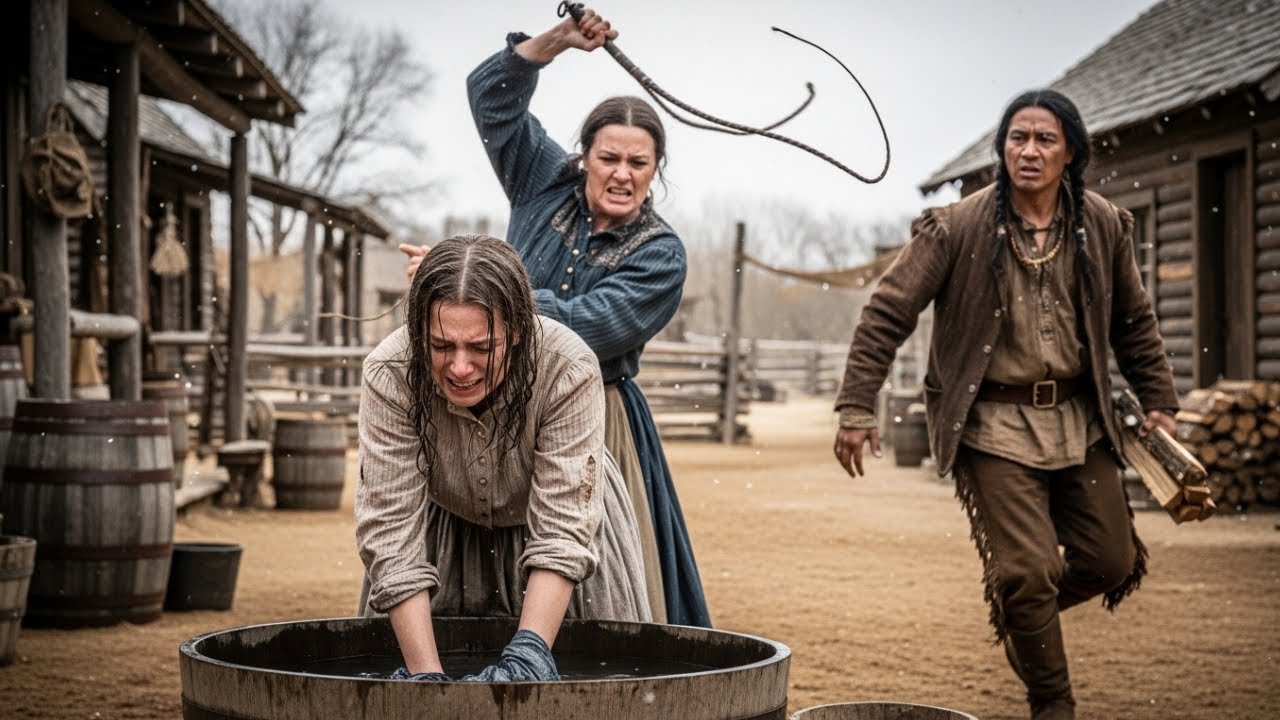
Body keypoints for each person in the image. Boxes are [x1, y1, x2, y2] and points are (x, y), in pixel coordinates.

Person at [831, 89, 1179, 719]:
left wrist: (1158, 398)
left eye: (1045, 139)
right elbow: (887, 313)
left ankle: (1024, 619)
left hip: (1080, 418)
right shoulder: (958, 226)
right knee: (1026, 570)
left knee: (1110, 561)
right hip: (990, 421)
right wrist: (857, 408)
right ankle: (1053, 700)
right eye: (1018, 138)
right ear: (1002, 148)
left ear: (1071, 152)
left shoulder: (1101, 222)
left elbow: (1134, 320)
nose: (1029, 151)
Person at [401, 7, 711, 627]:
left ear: (656, 172)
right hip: (487, 398)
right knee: (472, 560)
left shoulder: (661, 255)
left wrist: (476, 285)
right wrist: (559, 41)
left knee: (599, 577)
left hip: (597, 412)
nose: (620, 174)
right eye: (608, 157)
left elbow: (586, 328)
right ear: (585, 156)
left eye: (638, 163)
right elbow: (490, 98)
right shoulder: (543, 180)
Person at [357, 234, 651, 682]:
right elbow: (391, 529)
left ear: (516, 331)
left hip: (564, 533)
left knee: (589, 695)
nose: (459, 367)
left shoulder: (568, 366)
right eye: (440, 346)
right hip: (442, 534)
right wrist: (425, 681)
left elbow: (562, 528)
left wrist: (529, 654)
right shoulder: (389, 372)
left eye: (480, 348)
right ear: (419, 333)